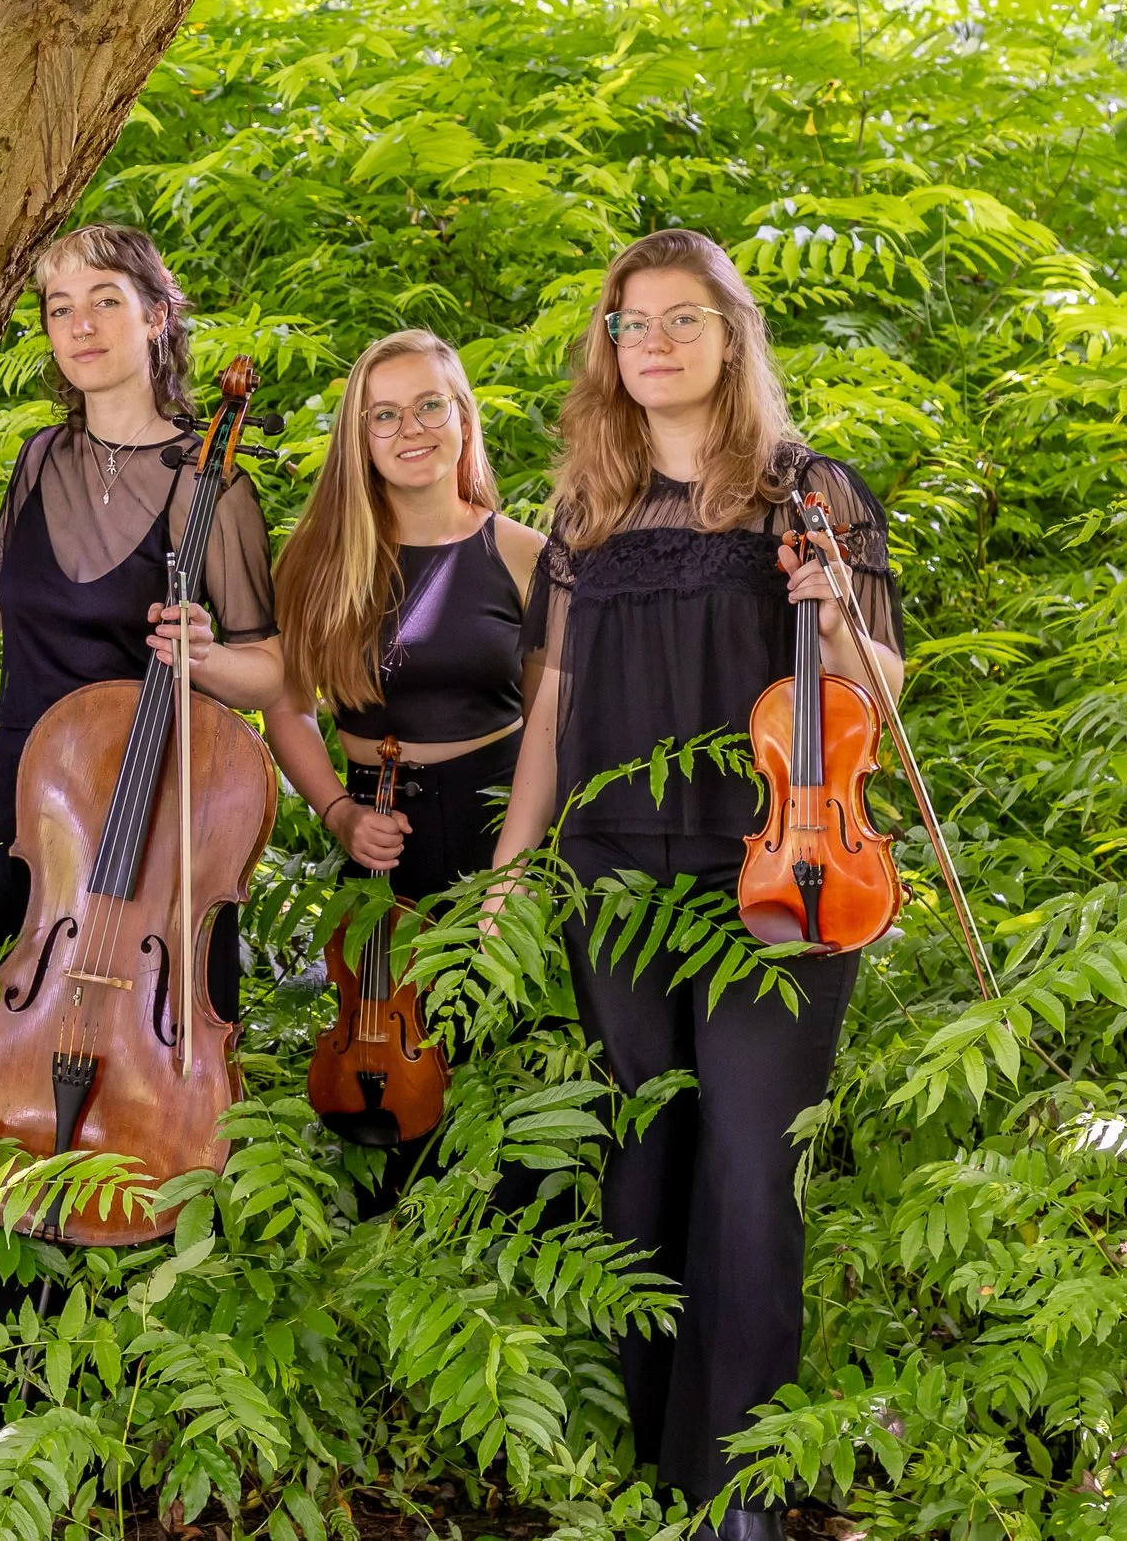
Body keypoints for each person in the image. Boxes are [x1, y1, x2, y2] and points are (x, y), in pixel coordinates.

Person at [487, 230, 905, 1540]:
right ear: (608, 351)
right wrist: (508, 876)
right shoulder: (586, 510)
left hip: (780, 871)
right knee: (644, 1161)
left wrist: (833, 607)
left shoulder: (810, 491)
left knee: (747, 1167)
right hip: (613, 883)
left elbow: (876, 697)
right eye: (630, 323)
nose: (654, 343)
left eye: (681, 319)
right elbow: (550, 707)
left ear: (732, 336)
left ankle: (747, 1489)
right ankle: (668, 1472)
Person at [0, 223, 282, 1124]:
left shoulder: (209, 482)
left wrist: (206, 655)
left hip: (155, 818)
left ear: (157, 319)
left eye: (105, 300)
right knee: (15, 1039)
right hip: (38, 810)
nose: (80, 324)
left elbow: (270, 672)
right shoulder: (40, 461)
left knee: (147, 1049)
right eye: (59, 307)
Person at [261, 330, 542, 1202]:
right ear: (360, 436)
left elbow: (556, 724)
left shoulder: (524, 554)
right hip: (378, 831)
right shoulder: (317, 556)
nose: (410, 427)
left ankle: (510, 1252)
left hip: (500, 826)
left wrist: (517, 871)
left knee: (500, 1052)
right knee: (381, 1044)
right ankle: (388, 1258)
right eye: (384, 414)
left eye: (430, 405)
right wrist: (339, 814)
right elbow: (286, 706)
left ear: (464, 417)